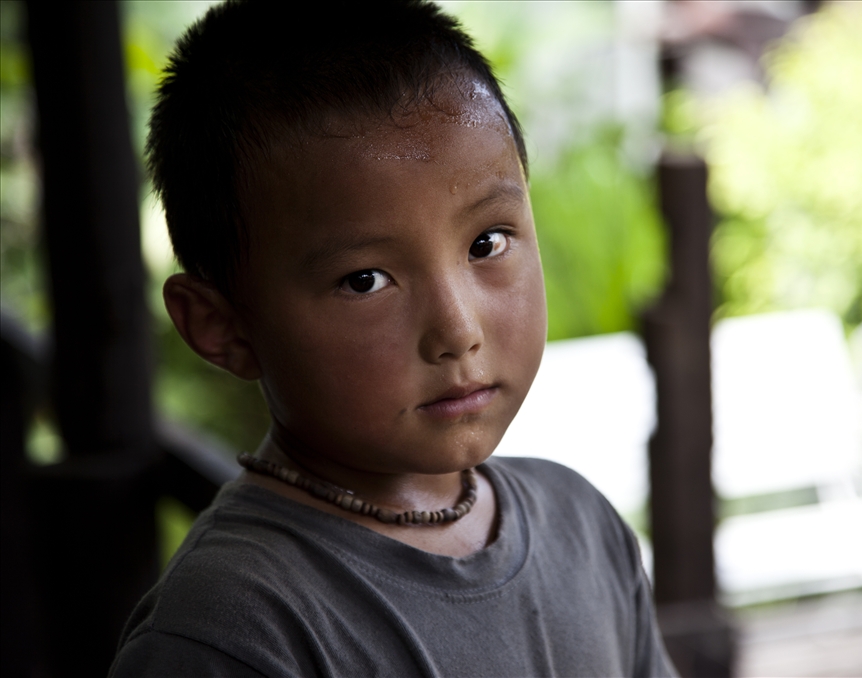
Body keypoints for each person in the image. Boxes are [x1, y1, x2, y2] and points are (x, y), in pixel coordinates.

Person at [110, 1, 676, 676]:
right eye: (365, 281)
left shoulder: (581, 527)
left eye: (487, 243)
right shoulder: (231, 630)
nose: (457, 330)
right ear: (222, 326)